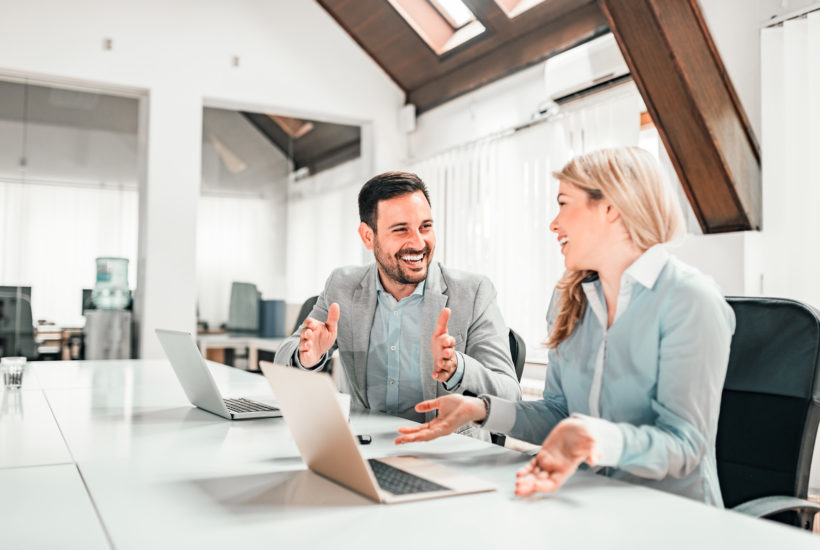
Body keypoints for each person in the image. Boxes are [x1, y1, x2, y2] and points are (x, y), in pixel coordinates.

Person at [395, 147, 735, 506]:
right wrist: (481, 410)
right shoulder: (568, 298)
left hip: (671, 517)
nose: (554, 224)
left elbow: (685, 446)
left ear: (610, 208)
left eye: (563, 203)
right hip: (586, 502)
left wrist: (593, 438)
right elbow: (559, 412)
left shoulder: (689, 299)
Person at [274, 171, 521, 436]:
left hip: (444, 452)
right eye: (401, 229)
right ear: (368, 236)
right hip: (365, 446)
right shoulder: (343, 286)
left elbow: (511, 397)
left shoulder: (473, 293)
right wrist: (307, 357)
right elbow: (285, 355)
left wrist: (458, 368)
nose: (418, 242)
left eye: (425, 227)